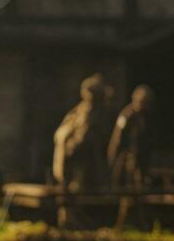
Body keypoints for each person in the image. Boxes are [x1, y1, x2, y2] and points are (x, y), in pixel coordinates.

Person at [51, 73, 114, 226]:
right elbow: (80, 136)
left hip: (81, 157)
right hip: (79, 159)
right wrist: (73, 149)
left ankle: (77, 221)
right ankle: (74, 221)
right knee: (77, 190)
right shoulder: (85, 111)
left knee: (79, 190)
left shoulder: (90, 111)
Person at [109, 85, 155, 227]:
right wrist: (114, 159)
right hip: (128, 160)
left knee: (140, 190)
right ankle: (123, 223)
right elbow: (117, 140)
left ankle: (138, 223)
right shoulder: (127, 115)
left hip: (140, 160)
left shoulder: (145, 116)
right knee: (128, 191)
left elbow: (146, 142)